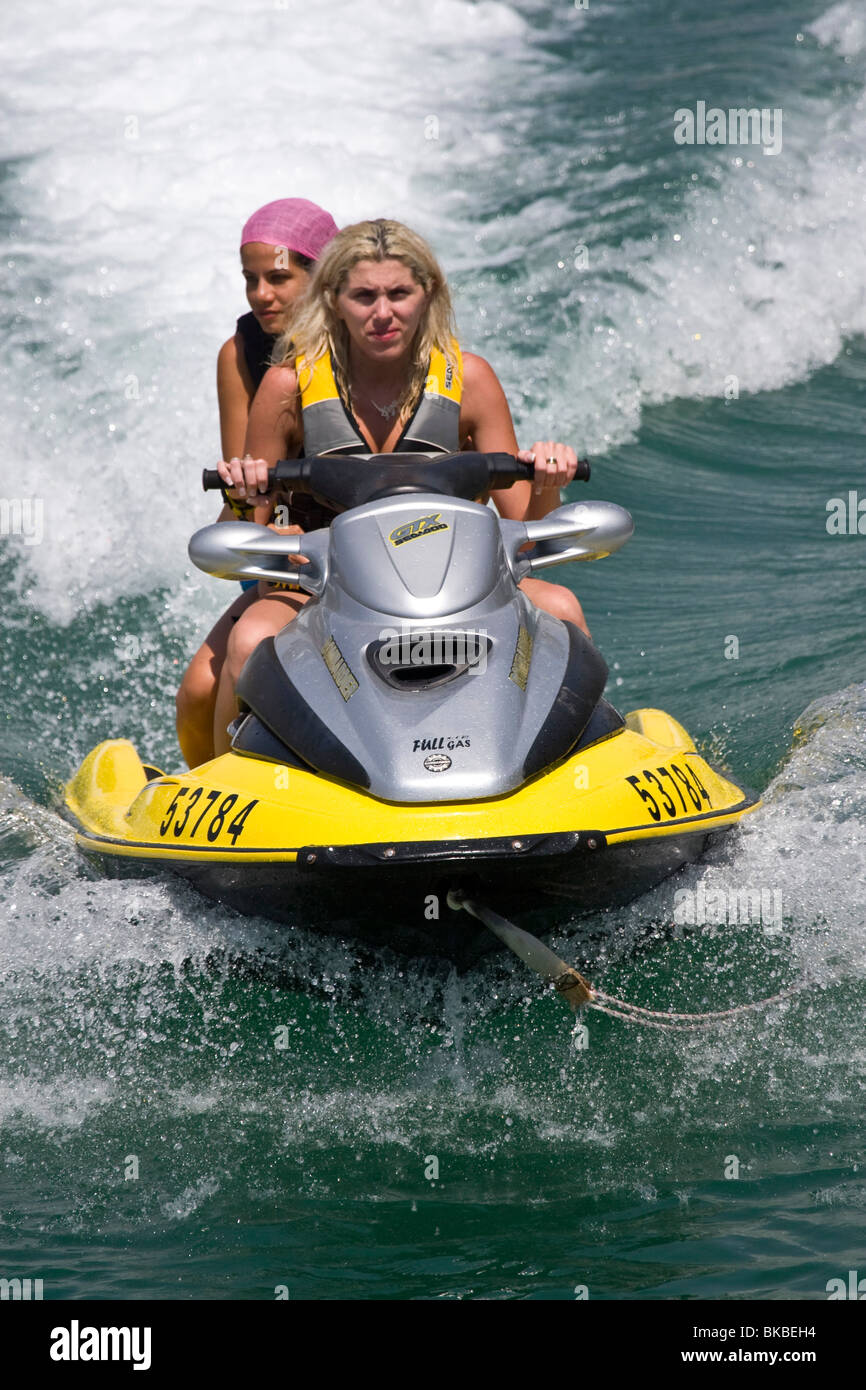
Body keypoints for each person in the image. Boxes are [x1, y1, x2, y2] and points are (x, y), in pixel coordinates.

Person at [202, 219, 591, 760]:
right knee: (248, 644)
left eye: (398, 293)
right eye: (363, 296)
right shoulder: (286, 387)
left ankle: (577, 766)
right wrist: (245, 498)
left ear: (426, 292)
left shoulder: (470, 379)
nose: (382, 313)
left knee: (563, 610)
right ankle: (227, 787)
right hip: (323, 591)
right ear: (334, 299)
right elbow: (243, 542)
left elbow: (529, 533)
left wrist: (547, 482)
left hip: (461, 592)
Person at [176, 198, 338, 768]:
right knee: (198, 690)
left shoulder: (368, 343)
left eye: (278, 278)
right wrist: (242, 505)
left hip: (364, 550)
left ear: (323, 277)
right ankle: (211, 806)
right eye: (250, 280)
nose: (261, 295)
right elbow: (245, 488)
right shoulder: (239, 355)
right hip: (283, 552)